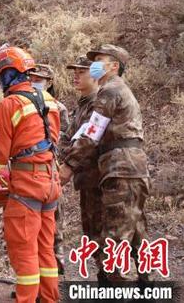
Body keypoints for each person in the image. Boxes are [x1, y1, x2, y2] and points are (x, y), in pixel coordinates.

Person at [0, 46, 61, 303]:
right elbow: (53, 139)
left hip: (27, 184)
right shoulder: (48, 100)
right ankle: (49, 299)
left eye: (1, 76)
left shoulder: (9, 105)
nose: (0, 81)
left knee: (24, 251)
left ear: (9, 73)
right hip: (50, 180)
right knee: (45, 250)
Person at [59, 45, 150, 284]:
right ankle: (145, 283)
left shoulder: (109, 90)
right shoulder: (119, 90)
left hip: (120, 166)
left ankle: (117, 286)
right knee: (136, 226)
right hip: (131, 166)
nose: (95, 65)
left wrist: (68, 165)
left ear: (114, 66)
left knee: (115, 233)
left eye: (100, 60)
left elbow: (92, 132)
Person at [60, 56, 102, 278]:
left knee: (107, 235)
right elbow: (68, 139)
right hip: (87, 180)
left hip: (102, 179)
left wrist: (67, 165)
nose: (75, 76)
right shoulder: (82, 105)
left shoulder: (99, 103)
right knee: (94, 234)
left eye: (81, 72)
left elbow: (89, 139)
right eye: (73, 72)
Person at [29, 64, 69, 276]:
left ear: (49, 83)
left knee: (53, 224)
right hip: (29, 174)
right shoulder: (24, 103)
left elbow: (64, 141)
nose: (34, 82)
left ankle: (55, 268)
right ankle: (32, 277)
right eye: (31, 78)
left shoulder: (57, 108)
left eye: (39, 79)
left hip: (50, 171)